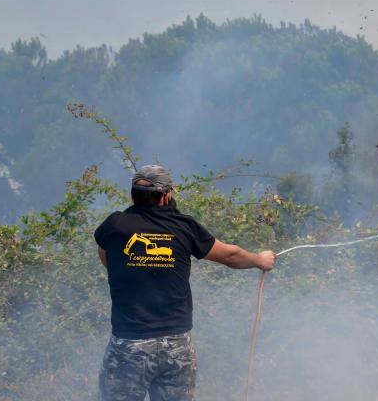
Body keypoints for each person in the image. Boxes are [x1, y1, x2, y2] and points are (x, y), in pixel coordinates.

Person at [94, 165, 276, 401]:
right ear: (168, 195)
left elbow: (105, 255)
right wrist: (259, 259)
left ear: (133, 195)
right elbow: (230, 256)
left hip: (130, 345)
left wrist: (132, 269)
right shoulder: (184, 227)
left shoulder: (115, 225)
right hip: (176, 345)